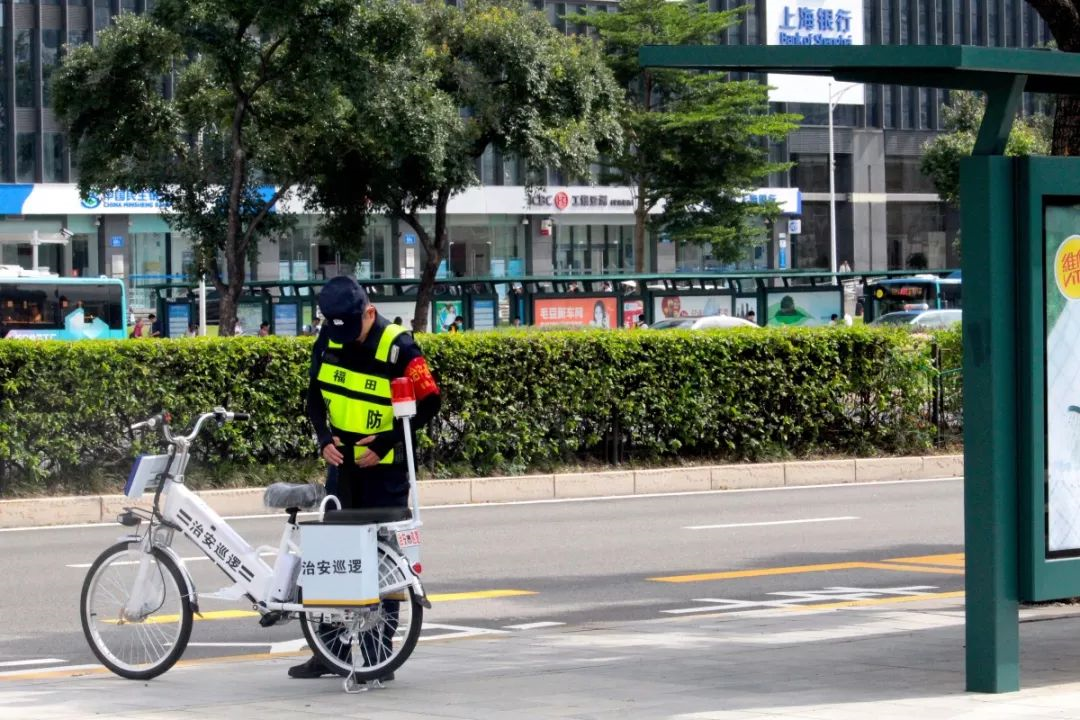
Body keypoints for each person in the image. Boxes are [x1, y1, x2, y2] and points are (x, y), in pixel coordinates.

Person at [292, 276, 442, 681]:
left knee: (383, 562)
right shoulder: (330, 337)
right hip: (342, 468)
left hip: (385, 470)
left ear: (369, 313)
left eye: (352, 330)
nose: (345, 339)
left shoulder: (399, 347)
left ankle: (379, 654)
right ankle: (330, 651)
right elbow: (314, 396)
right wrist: (324, 439)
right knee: (333, 558)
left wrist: (388, 441)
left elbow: (431, 401)